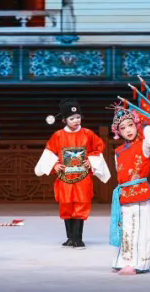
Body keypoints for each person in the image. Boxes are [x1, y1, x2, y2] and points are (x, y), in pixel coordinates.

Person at [34, 99, 111, 248]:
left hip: (82, 177)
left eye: (78, 117)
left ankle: (78, 238)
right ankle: (70, 238)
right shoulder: (58, 135)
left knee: (81, 204)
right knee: (66, 205)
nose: (76, 120)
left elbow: (99, 146)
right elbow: (49, 152)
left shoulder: (88, 134)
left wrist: (91, 160)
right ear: (64, 120)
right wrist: (55, 165)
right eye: (72, 118)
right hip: (65, 177)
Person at [109, 101, 150, 274]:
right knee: (126, 229)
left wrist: (144, 126)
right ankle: (124, 260)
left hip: (141, 195)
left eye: (131, 125)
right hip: (124, 194)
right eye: (123, 128)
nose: (128, 130)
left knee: (142, 230)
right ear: (118, 132)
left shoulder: (145, 145)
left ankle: (141, 263)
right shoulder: (118, 151)